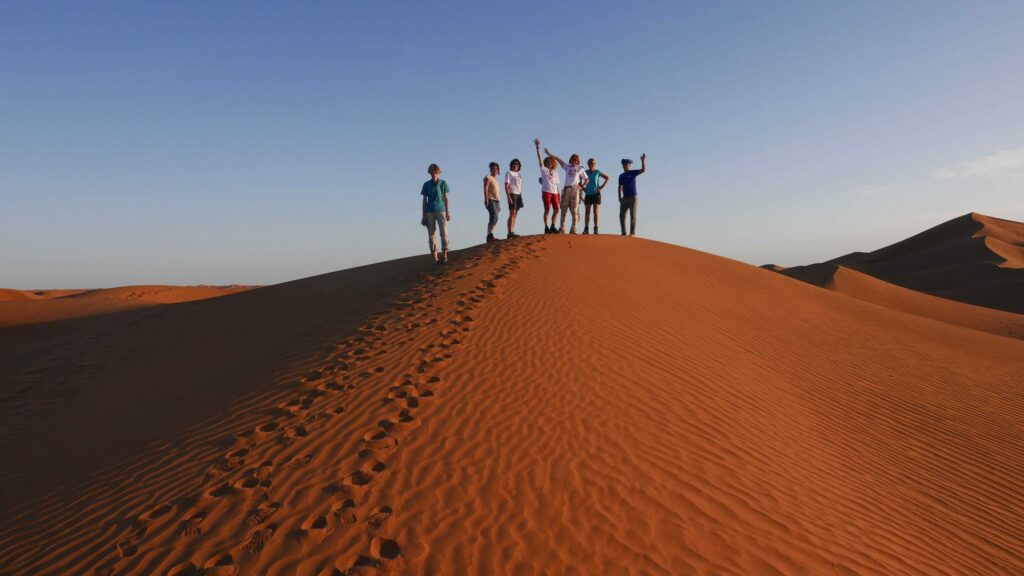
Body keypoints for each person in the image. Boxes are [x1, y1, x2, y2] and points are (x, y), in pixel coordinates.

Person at [544, 147, 589, 234]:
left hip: (575, 190)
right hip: (566, 189)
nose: (574, 161)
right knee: (563, 209)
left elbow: (586, 179)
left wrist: (582, 186)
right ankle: (562, 228)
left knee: (574, 209)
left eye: (576, 160)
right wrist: (549, 154)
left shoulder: (580, 169)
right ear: (570, 159)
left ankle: (574, 228)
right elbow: (558, 159)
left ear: (578, 161)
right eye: (573, 159)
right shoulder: (567, 167)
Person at [421, 163, 451, 263]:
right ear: (430, 173)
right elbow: (424, 201)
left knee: (444, 232)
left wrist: (448, 212)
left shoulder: (443, 183)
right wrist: (423, 215)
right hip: (429, 211)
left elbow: (446, 198)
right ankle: (435, 257)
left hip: (441, 210)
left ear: (438, 172)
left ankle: (445, 255)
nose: (434, 174)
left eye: (435, 172)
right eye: (432, 172)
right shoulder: (426, 185)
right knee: (431, 234)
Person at [534, 138, 561, 233]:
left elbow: (557, 184)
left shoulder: (555, 172)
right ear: (546, 163)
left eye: (551, 162)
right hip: (546, 192)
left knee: (557, 209)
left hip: (555, 192)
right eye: (548, 162)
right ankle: (546, 227)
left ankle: (553, 225)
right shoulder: (543, 169)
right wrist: (538, 148)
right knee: (547, 209)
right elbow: (540, 159)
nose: (549, 163)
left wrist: (559, 194)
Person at [618, 154, 646, 236]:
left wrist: (643, 161)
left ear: (630, 165)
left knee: (632, 215)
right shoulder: (621, 176)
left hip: (633, 197)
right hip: (624, 198)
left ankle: (632, 233)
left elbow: (643, 170)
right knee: (621, 215)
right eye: (624, 165)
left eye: (627, 165)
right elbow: (619, 187)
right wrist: (619, 197)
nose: (625, 166)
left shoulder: (633, 172)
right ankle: (623, 233)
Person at [582, 158, 609, 234]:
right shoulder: (585, 172)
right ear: (588, 164)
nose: (592, 164)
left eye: (593, 163)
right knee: (587, 212)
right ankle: (586, 228)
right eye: (590, 163)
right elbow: (578, 179)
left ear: (595, 164)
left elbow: (607, 178)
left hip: (596, 194)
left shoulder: (597, 172)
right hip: (588, 194)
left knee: (595, 211)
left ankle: (596, 228)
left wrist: (601, 187)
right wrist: (582, 187)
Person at [483, 162, 502, 243]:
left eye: (496, 169)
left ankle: (490, 235)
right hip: (490, 199)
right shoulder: (488, 177)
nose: (495, 170)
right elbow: (485, 188)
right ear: (490, 170)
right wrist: (486, 199)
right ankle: (489, 236)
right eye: (493, 168)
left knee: (495, 218)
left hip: (497, 201)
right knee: (493, 217)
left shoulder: (496, 180)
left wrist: (499, 204)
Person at [505, 158, 523, 238]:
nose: (516, 165)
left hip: (518, 194)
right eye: (514, 164)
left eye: (517, 164)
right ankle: (509, 232)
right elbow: (506, 185)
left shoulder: (519, 175)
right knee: (512, 213)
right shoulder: (509, 173)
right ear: (511, 165)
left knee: (515, 214)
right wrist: (508, 196)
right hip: (512, 193)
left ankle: (512, 230)